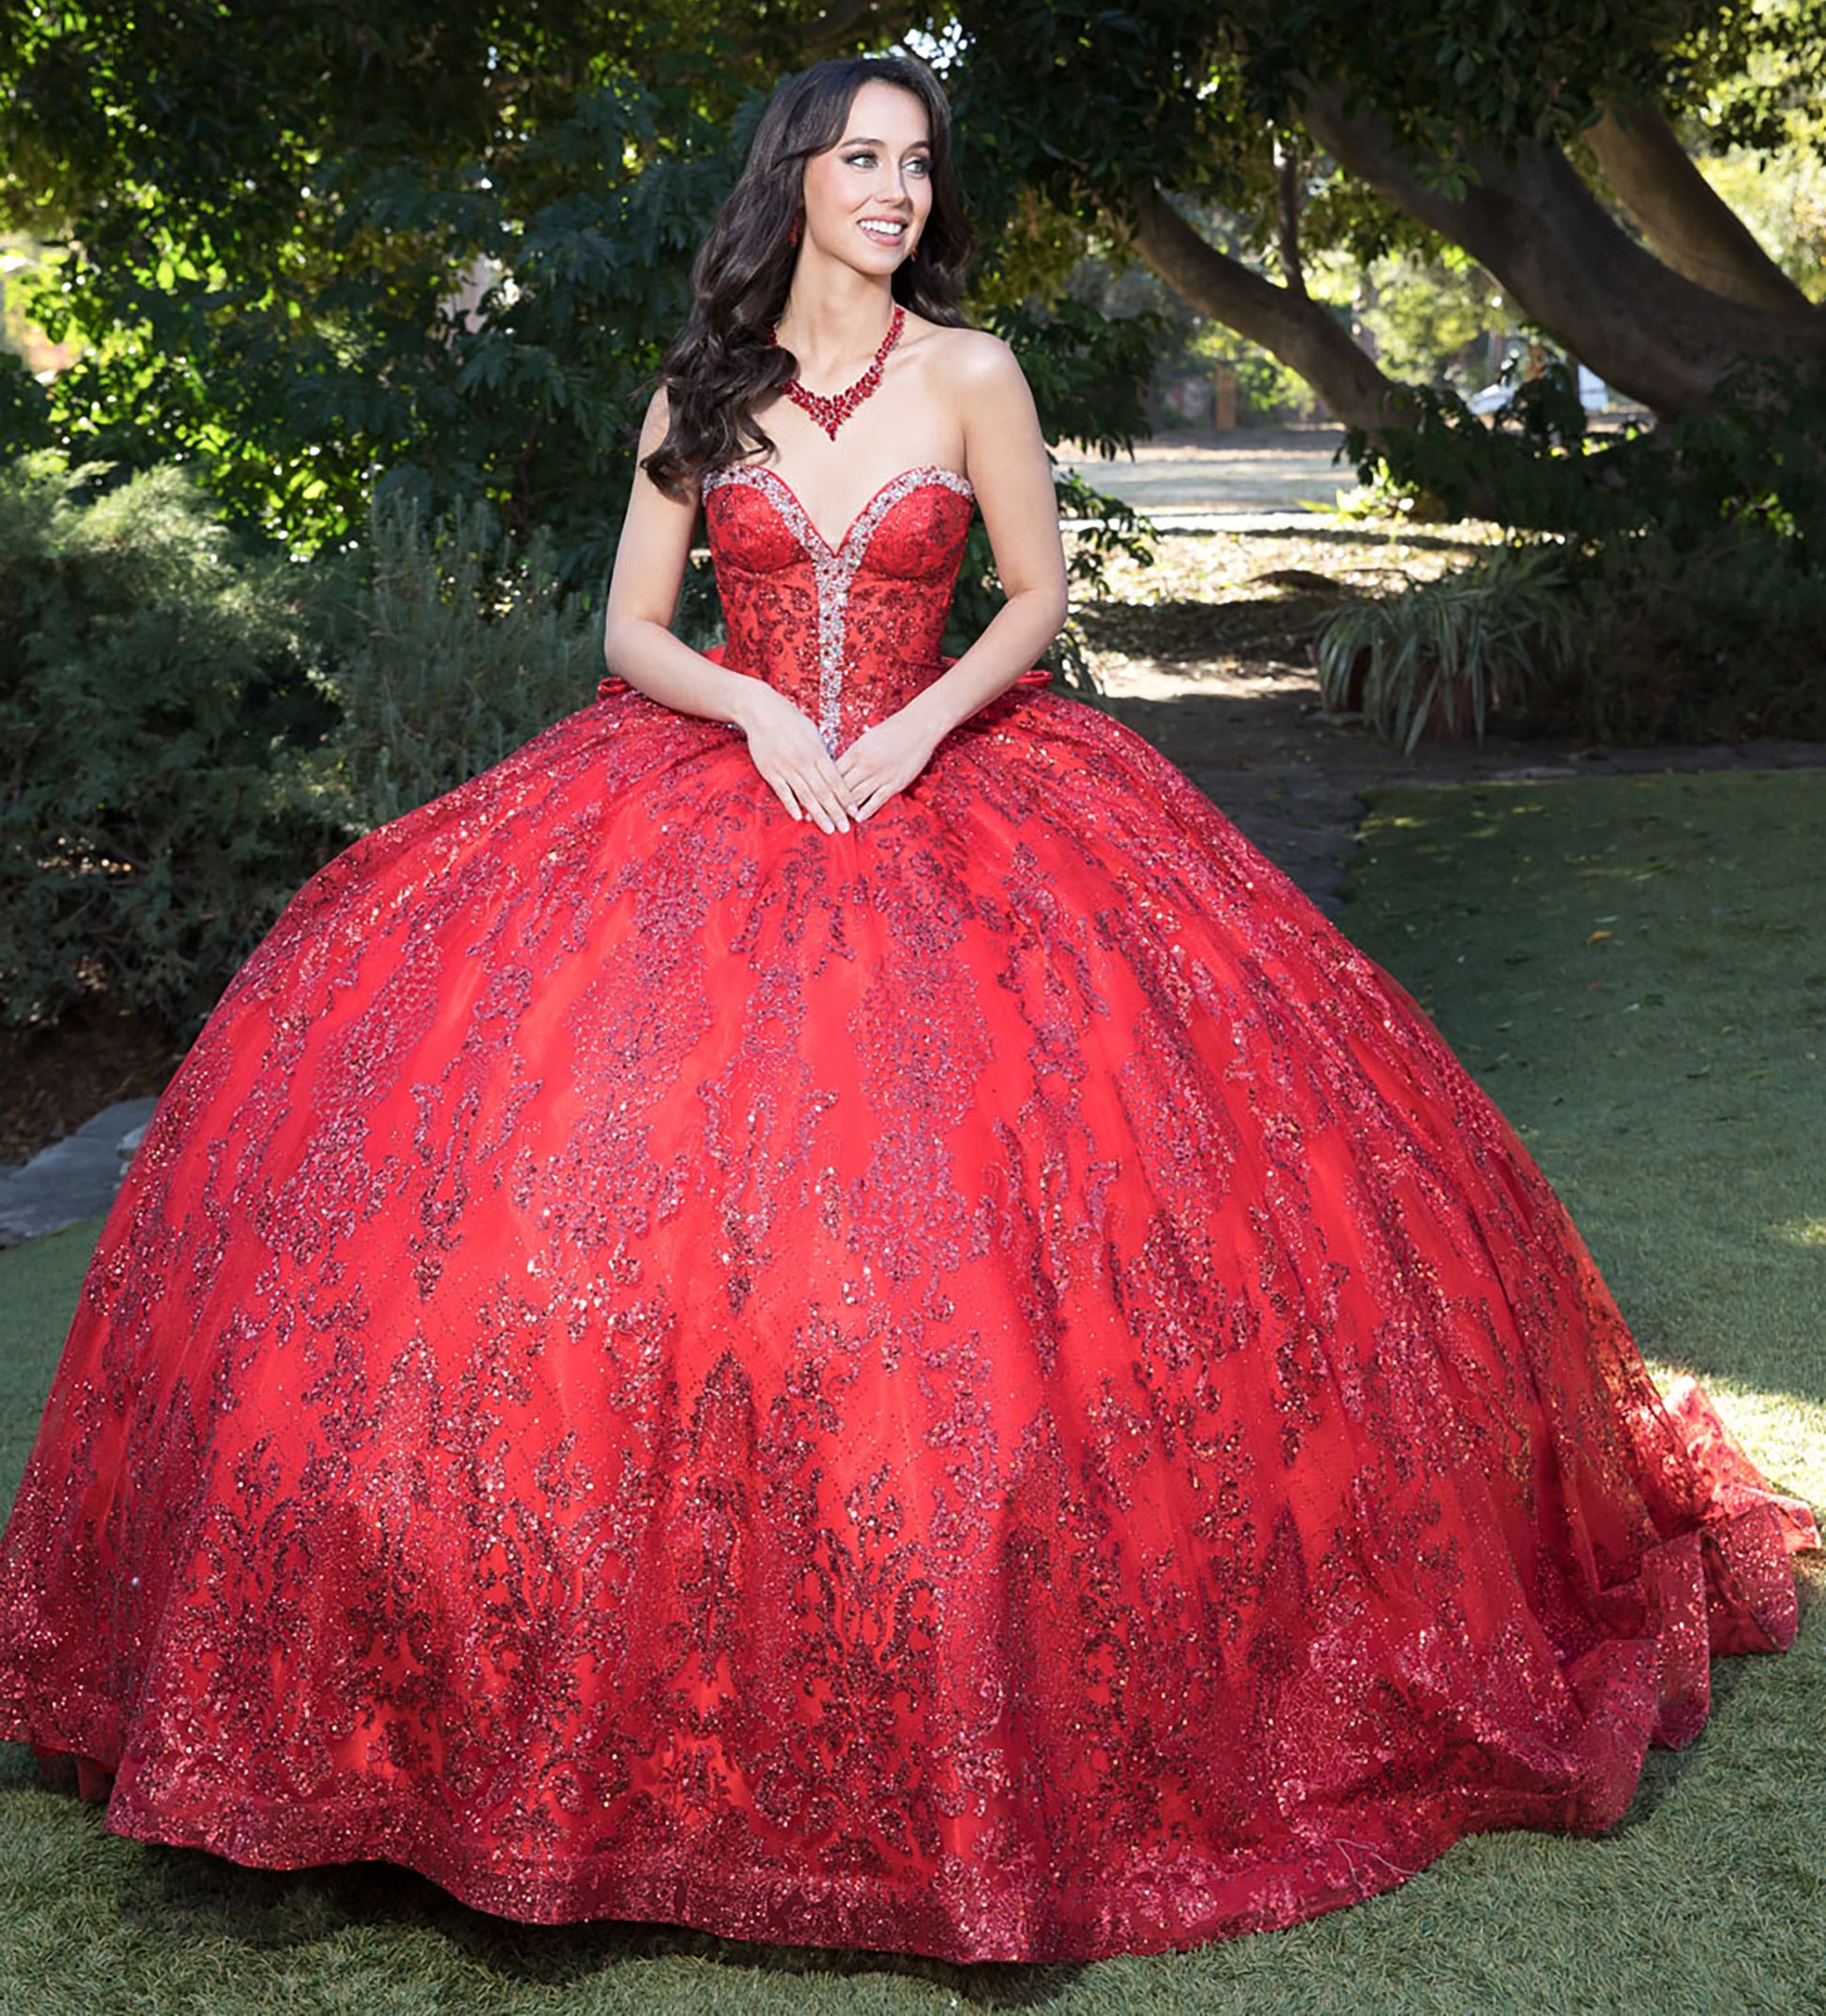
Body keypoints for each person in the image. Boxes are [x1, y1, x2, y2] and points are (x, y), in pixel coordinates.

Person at [0, 52, 1814, 1967]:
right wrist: (763, 706)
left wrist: (927, 723)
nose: (893, 187)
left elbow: (1030, 598)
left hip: (965, 782)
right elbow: (627, 627)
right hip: (730, 773)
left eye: (917, 163)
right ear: (791, 178)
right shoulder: (699, 392)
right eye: (861, 157)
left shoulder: (976, 373)